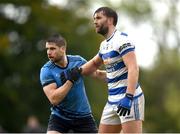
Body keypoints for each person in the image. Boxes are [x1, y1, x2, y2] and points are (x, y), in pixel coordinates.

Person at [76, 7, 145, 133]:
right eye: (94, 19)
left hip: (129, 98)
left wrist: (128, 97)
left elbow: (133, 68)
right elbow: (93, 64)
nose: (94, 22)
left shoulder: (122, 40)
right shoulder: (104, 45)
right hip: (112, 101)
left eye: (98, 18)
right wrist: (75, 71)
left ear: (110, 20)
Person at [40, 34, 104, 133]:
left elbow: (97, 74)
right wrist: (70, 80)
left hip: (83, 116)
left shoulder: (78, 61)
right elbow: (54, 99)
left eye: (52, 48)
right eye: (47, 49)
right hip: (60, 116)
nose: (49, 52)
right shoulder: (46, 70)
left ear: (63, 49)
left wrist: (121, 76)